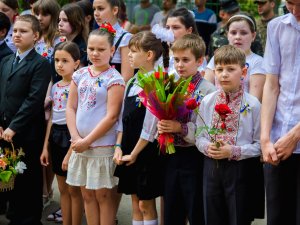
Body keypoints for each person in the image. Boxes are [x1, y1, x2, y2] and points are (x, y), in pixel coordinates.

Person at [196, 45, 264, 225]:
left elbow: (259, 144)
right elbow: (199, 135)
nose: (224, 74)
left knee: (238, 216)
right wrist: (206, 147)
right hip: (211, 168)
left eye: (230, 69)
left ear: (243, 72)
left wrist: (234, 151)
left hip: (240, 170)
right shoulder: (208, 101)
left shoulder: (253, 104)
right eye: (219, 69)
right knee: (212, 215)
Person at [66, 24, 125, 225]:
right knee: (87, 196)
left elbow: (111, 116)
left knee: (103, 196)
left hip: (102, 147)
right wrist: (75, 138)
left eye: (101, 49)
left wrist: (88, 140)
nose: (95, 53)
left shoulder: (114, 79)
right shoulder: (80, 74)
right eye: (91, 48)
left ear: (112, 51)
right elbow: (71, 107)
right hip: (80, 145)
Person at [155, 34, 215, 225]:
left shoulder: (208, 90)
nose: (180, 65)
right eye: (176, 59)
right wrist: (162, 126)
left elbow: (206, 130)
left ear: (200, 61)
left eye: (185, 60)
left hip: (194, 158)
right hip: (171, 156)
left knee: (196, 208)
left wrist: (179, 127)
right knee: (172, 209)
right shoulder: (171, 84)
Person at [0, 14, 51, 225]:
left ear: (36, 36)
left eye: (23, 31)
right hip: (4, 129)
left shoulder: (40, 64)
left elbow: (34, 99)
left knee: (27, 178)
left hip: (27, 131)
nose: (17, 35)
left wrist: (14, 126)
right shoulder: (6, 60)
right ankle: (14, 214)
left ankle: (28, 219)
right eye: (15, 32)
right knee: (7, 175)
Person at [113, 30, 167, 225]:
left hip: (145, 152)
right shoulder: (132, 82)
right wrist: (118, 147)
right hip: (128, 149)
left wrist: (135, 153)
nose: (128, 55)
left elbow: (150, 127)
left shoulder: (157, 80)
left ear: (149, 55)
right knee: (135, 202)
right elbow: (122, 120)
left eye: (134, 51)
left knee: (146, 204)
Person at [261, 0, 300, 224]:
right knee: (277, 216)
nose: (294, 11)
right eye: (290, 3)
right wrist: (265, 138)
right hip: (276, 141)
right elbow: (271, 84)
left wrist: (295, 135)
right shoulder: (276, 26)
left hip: (293, 136)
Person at [40, 42, 83, 225]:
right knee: (62, 188)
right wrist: (45, 147)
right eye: (57, 60)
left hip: (72, 135)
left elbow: (79, 119)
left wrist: (71, 149)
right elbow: (51, 119)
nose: (59, 65)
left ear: (77, 63)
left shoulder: (79, 85)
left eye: (65, 60)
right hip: (56, 136)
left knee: (74, 189)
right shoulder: (56, 86)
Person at [205, 13, 266, 102]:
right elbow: (207, 90)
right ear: (227, 35)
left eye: (243, 33)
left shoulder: (258, 62)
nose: (237, 37)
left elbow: (254, 101)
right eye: (233, 33)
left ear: (253, 36)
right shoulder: (216, 58)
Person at [93, 0, 134, 82]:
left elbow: (126, 79)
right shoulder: (94, 36)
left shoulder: (125, 38)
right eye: (94, 9)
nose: (96, 13)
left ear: (115, 10)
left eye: (100, 8)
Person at [165, 7, 207, 76]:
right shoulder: (160, 52)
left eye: (175, 27)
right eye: (167, 27)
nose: (170, 32)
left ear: (189, 30)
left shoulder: (196, 53)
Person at [59, 3, 89, 67]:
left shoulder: (82, 48)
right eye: (59, 20)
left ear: (77, 22)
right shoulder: (59, 45)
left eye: (65, 20)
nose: (60, 24)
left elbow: (79, 74)